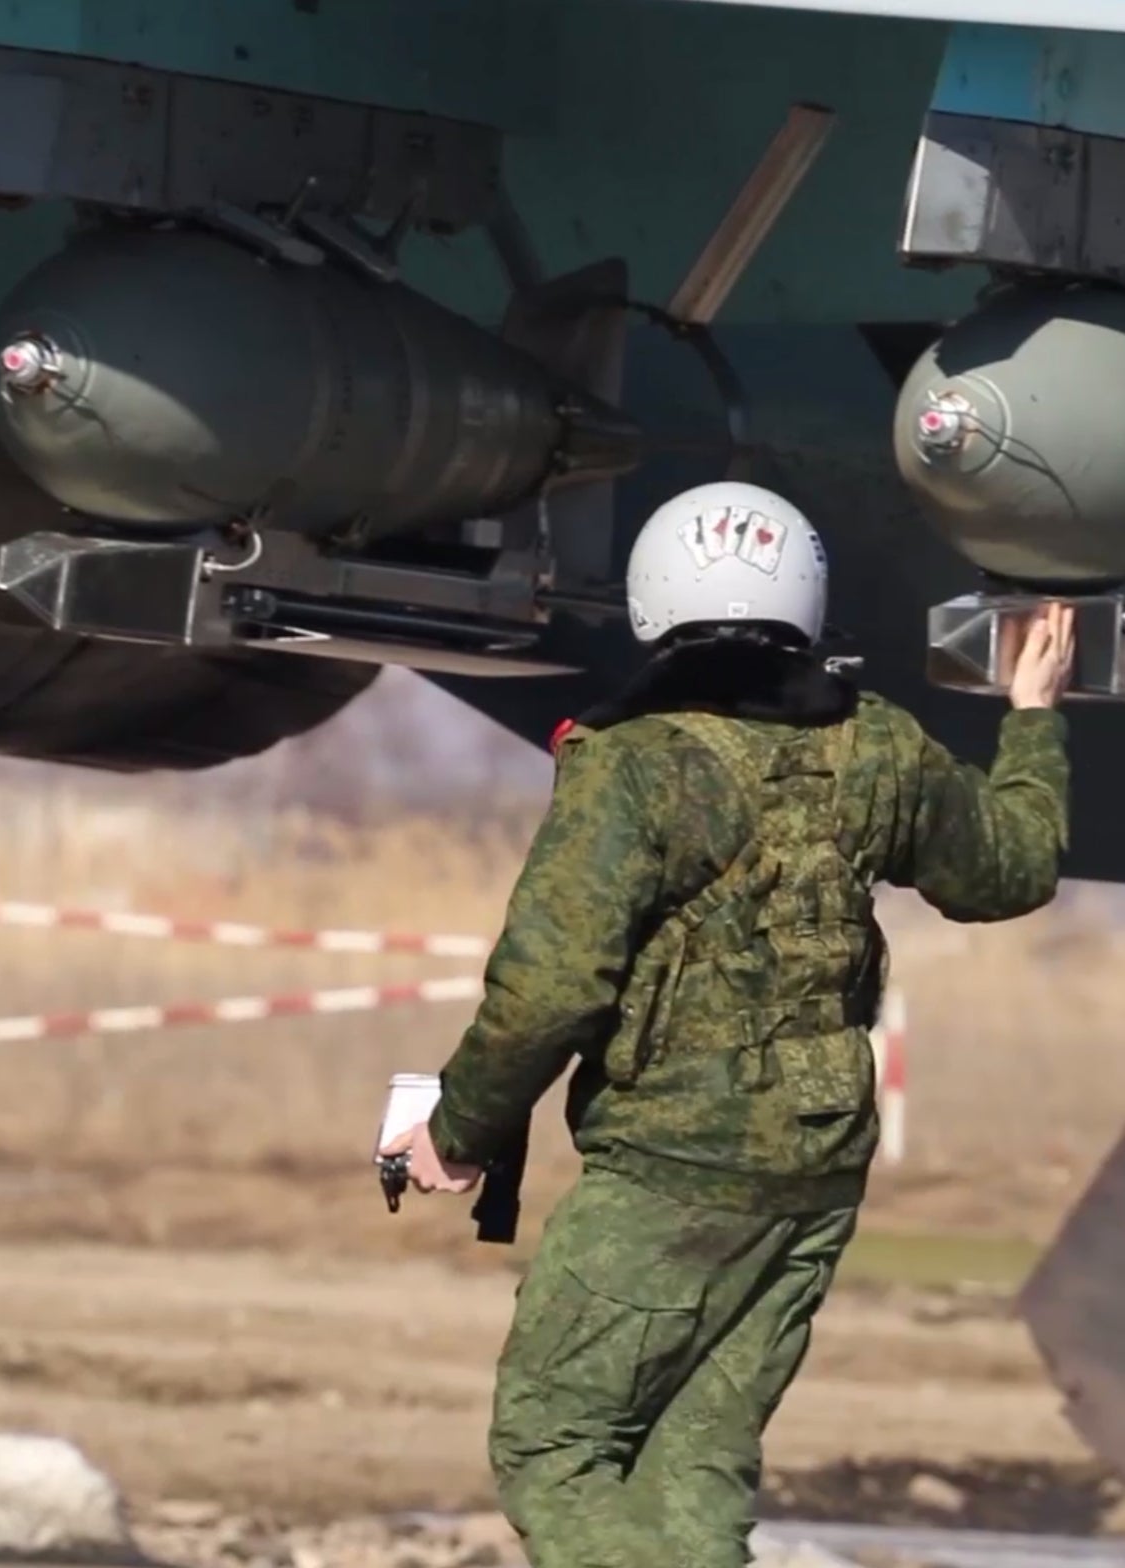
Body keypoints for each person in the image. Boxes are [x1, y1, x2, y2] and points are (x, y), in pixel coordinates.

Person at [379, 480, 1075, 1568]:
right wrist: (1031, 717)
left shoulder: (631, 765)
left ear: (655, 598)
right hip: (814, 1172)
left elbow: (552, 983)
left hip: (670, 1169)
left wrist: (458, 1133)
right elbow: (1011, 866)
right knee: (690, 1461)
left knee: (554, 1443)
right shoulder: (878, 746)